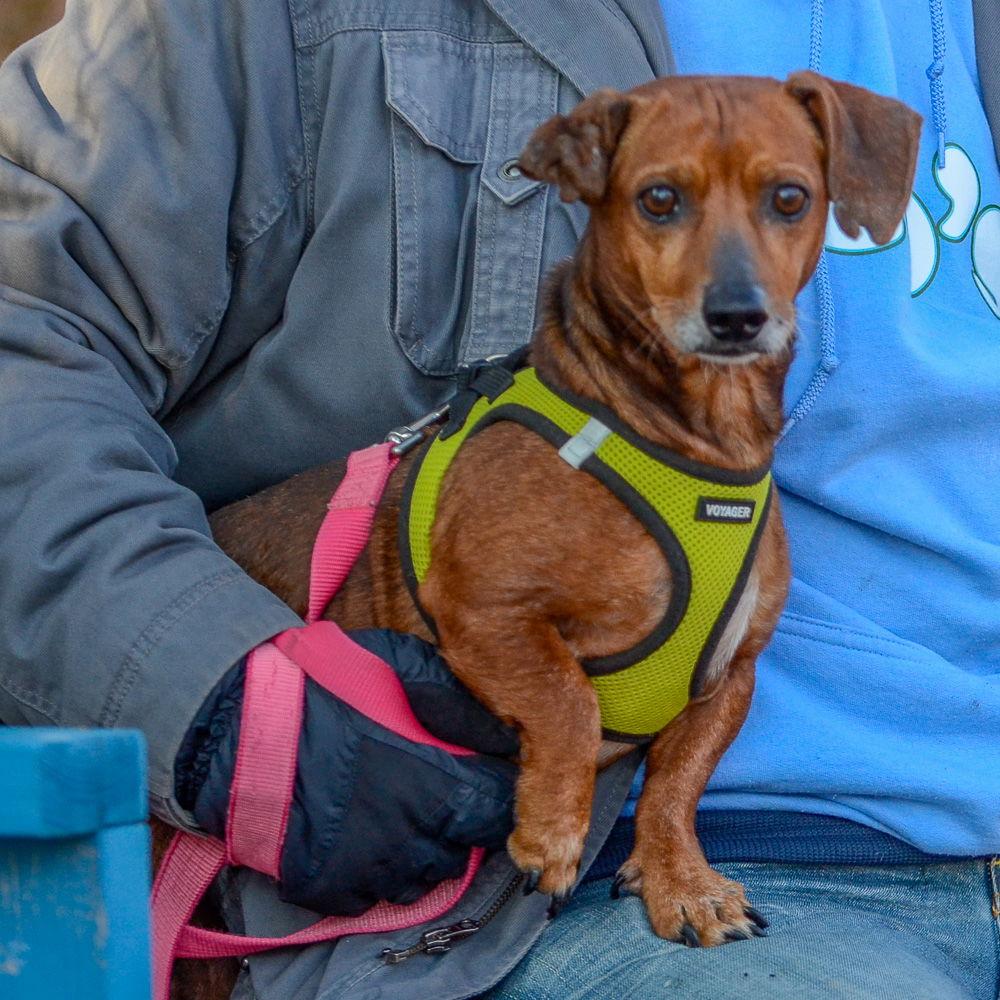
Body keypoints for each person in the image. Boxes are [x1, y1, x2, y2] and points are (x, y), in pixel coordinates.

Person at [0, 1, 998, 998]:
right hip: (565, 882)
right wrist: (214, 694)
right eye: (663, 203)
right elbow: (25, 331)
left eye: (784, 201)